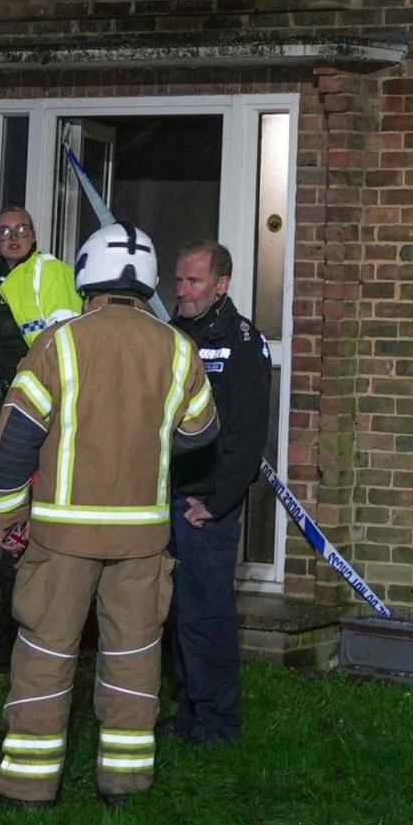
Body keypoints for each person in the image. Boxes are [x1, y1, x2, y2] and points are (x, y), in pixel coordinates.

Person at [0, 223, 216, 807]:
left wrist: (8, 519)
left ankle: (27, 788)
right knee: (135, 659)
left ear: (87, 275)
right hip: (143, 538)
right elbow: (202, 431)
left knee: (45, 654)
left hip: (62, 538)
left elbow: (15, 442)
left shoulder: (59, 344)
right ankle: (126, 782)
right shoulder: (178, 347)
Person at [0, 205, 82, 658]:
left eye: (21, 230)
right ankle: (12, 632)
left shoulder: (51, 272)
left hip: (41, 418)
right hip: (4, 412)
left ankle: (33, 633)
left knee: (33, 524)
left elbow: (64, 341)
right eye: (3, 232)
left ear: (35, 233)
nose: (13, 237)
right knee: (10, 524)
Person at [160, 241, 272, 746]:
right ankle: (188, 711)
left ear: (221, 284)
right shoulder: (169, 333)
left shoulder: (244, 341)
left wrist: (218, 502)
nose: (181, 290)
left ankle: (218, 724)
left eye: (194, 282)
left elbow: (249, 436)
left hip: (205, 506)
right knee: (175, 614)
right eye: (178, 280)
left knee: (207, 615)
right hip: (165, 498)